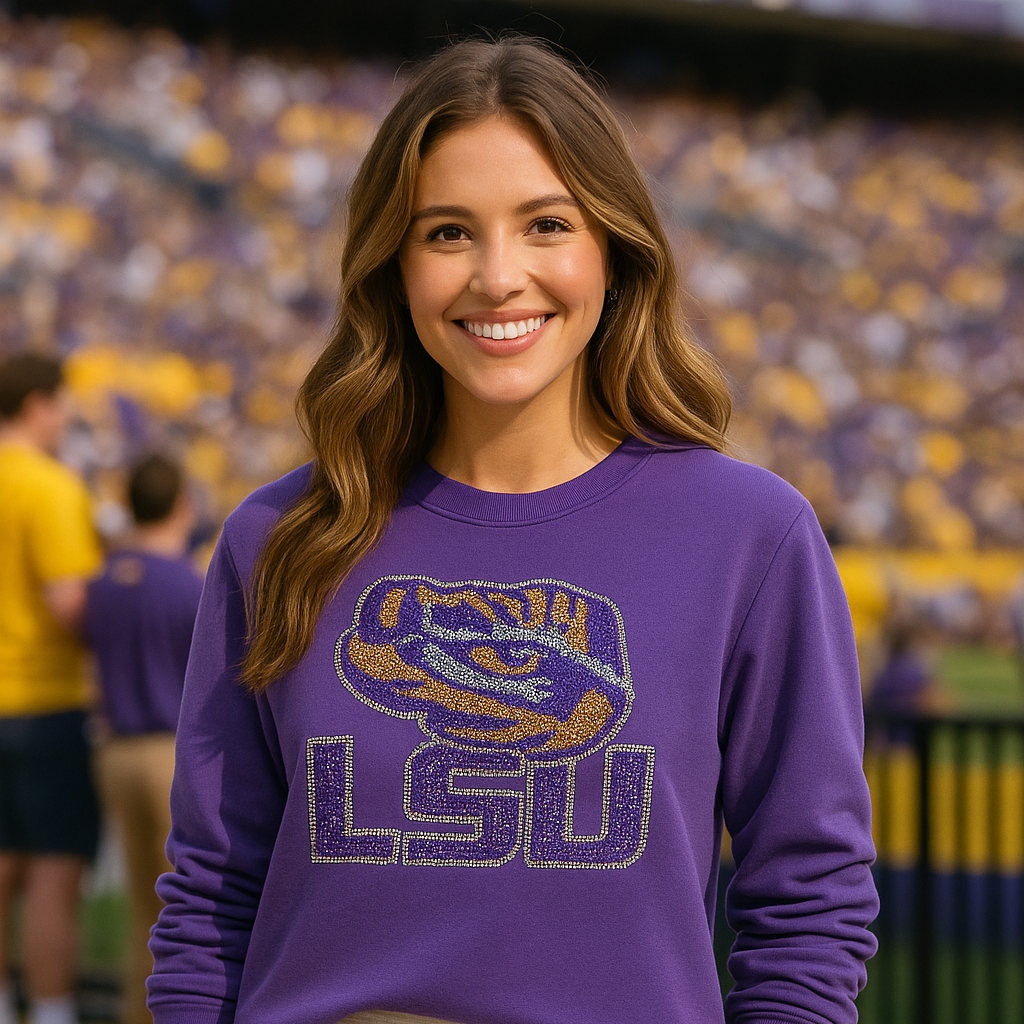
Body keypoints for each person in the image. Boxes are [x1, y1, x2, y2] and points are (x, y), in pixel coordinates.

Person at [149, 37, 878, 1024]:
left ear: (612, 252)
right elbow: (209, 894)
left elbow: (808, 904)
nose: (498, 276)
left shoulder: (751, 537)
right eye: (447, 232)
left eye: (545, 225)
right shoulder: (282, 536)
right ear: (392, 266)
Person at [0, 352, 103, 1024]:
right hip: (43, 702)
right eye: (61, 405)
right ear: (38, 404)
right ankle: (55, 1011)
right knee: (52, 876)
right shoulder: (49, 485)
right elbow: (71, 605)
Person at [85, 455, 204, 1024]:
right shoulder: (187, 583)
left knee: (142, 909)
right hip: (169, 753)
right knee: (182, 912)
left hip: (114, 750)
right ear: (181, 504)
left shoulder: (104, 578)